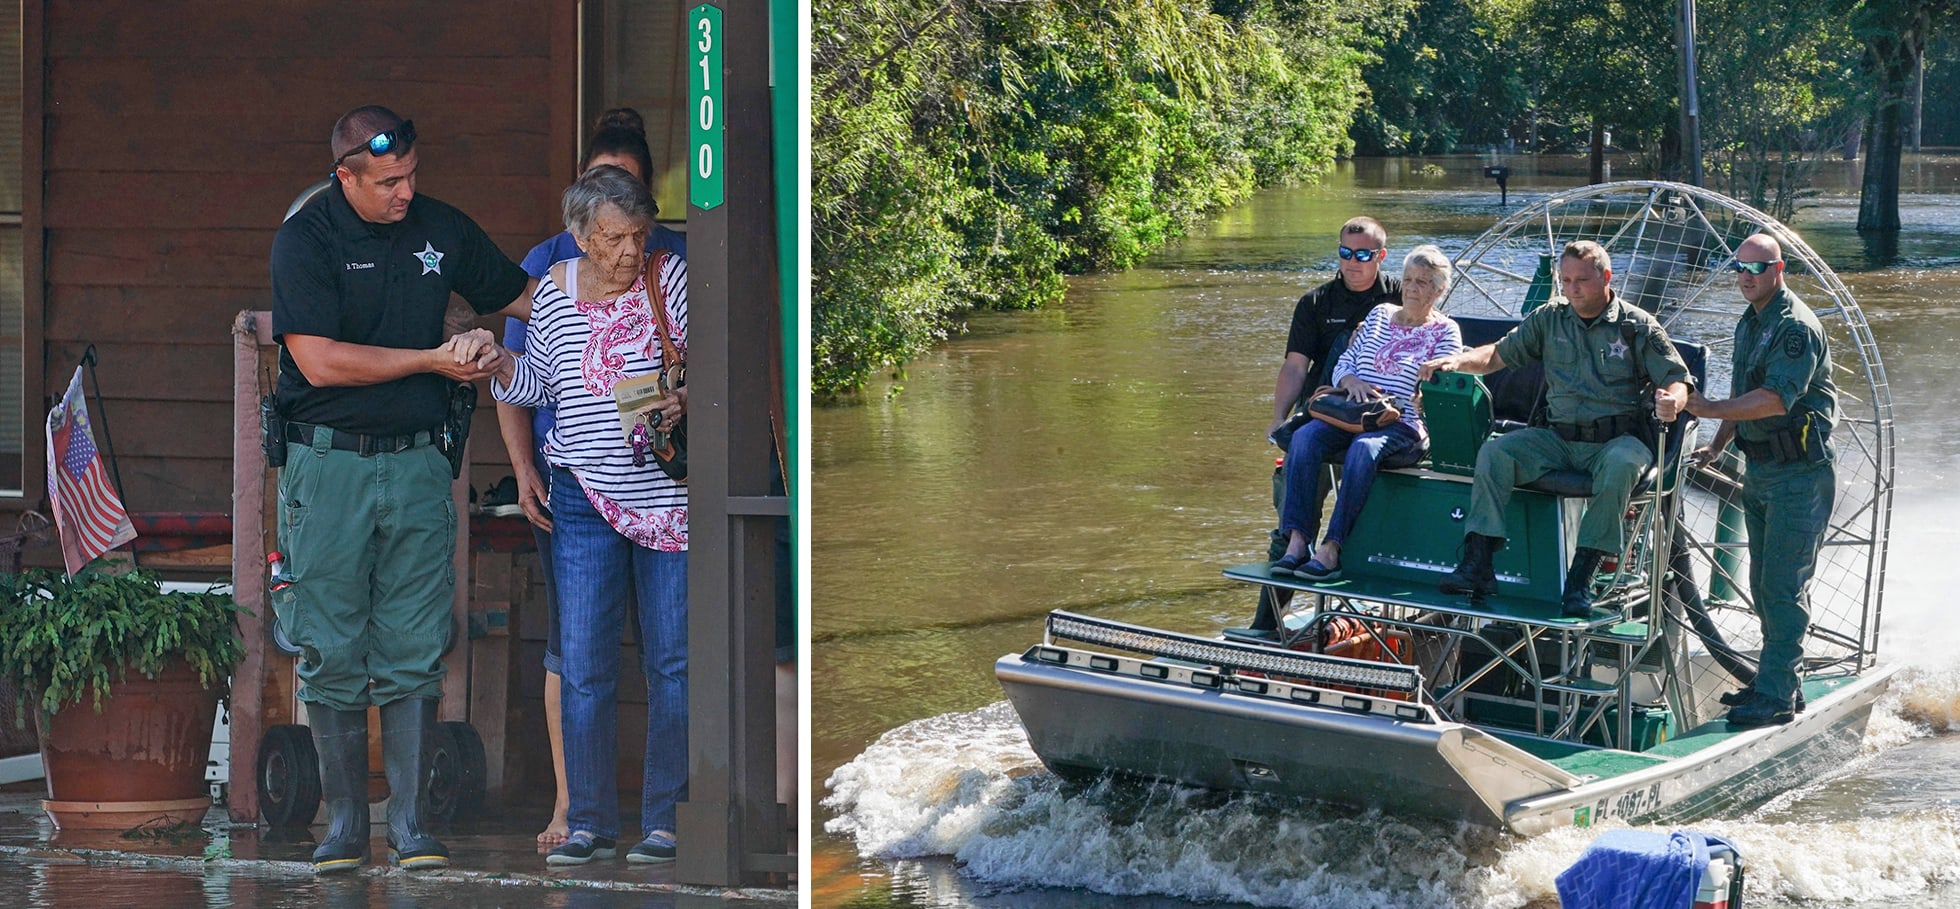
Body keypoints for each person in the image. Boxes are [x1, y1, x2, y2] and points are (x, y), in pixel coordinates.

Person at [269, 105, 534, 873]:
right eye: (388, 181)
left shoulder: (442, 228)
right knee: (330, 641)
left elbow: (527, 299)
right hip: (328, 465)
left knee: (417, 640)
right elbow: (317, 360)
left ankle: (412, 826)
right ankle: (347, 823)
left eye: (413, 175)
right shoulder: (305, 238)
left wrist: (492, 339)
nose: (405, 192)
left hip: (420, 462)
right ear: (344, 175)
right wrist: (429, 360)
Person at [495, 108, 686, 848]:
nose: (628, 251)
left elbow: (708, 373)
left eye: (638, 235)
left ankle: (664, 820)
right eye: (613, 238)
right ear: (580, 236)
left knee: (671, 663)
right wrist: (497, 362)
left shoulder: (671, 279)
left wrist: (683, 396)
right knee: (584, 666)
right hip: (580, 497)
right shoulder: (549, 288)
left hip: (666, 498)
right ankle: (587, 822)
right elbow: (537, 383)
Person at [1419, 240, 1691, 617]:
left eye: (1581, 279)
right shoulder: (1550, 318)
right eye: (1566, 280)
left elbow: (1678, 379)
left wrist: (1673, 400)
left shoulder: (1636, 326)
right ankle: (1478, 563)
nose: (1573, 288)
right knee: (1497, 453)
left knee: (1622, 467)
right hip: (1558, 438)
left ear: (1606, 277)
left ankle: (1580, 578)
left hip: (1617, 441)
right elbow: (1499, 354)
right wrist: (1458, 361)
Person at [1686, 233, 1836, 728]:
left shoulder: (1795, 327)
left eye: (1756, 268)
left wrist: (1705, 409)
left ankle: (1773, 695)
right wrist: (1717, 442)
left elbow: (1774, 398)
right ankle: (1777, 685)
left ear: (1780, 269)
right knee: (1760, 581)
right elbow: (1742, 391)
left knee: (1782, 586)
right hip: (1762, 470)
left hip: (1800, 475)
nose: (1745, 277)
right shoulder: (1749, 322)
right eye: (1739, 268)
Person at [1271, 245, 1463, 582]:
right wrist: (1350, 380)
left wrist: (1401, 396)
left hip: (1401, 421)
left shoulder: (1445, 331)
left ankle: (1332, 547)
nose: (1412, 289)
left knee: (1364, 448)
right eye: (1408, 280)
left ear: (1439, 290)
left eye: (1423, 282)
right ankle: (1297, 542)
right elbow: (1346, 359)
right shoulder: (1379, 315)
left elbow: (1438, 381)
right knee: (1304, 437)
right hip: (1352, 412)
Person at [1266, 216, 1404, 444]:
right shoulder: (1314, 302)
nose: (1352, 262)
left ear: (1381, 256)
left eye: (1362, 255)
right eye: (1345, 253)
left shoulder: (1401, 295)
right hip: (1327, 398)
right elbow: (1295, 367)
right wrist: (1278, 417)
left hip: (1383, 400)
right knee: (1299, 443)